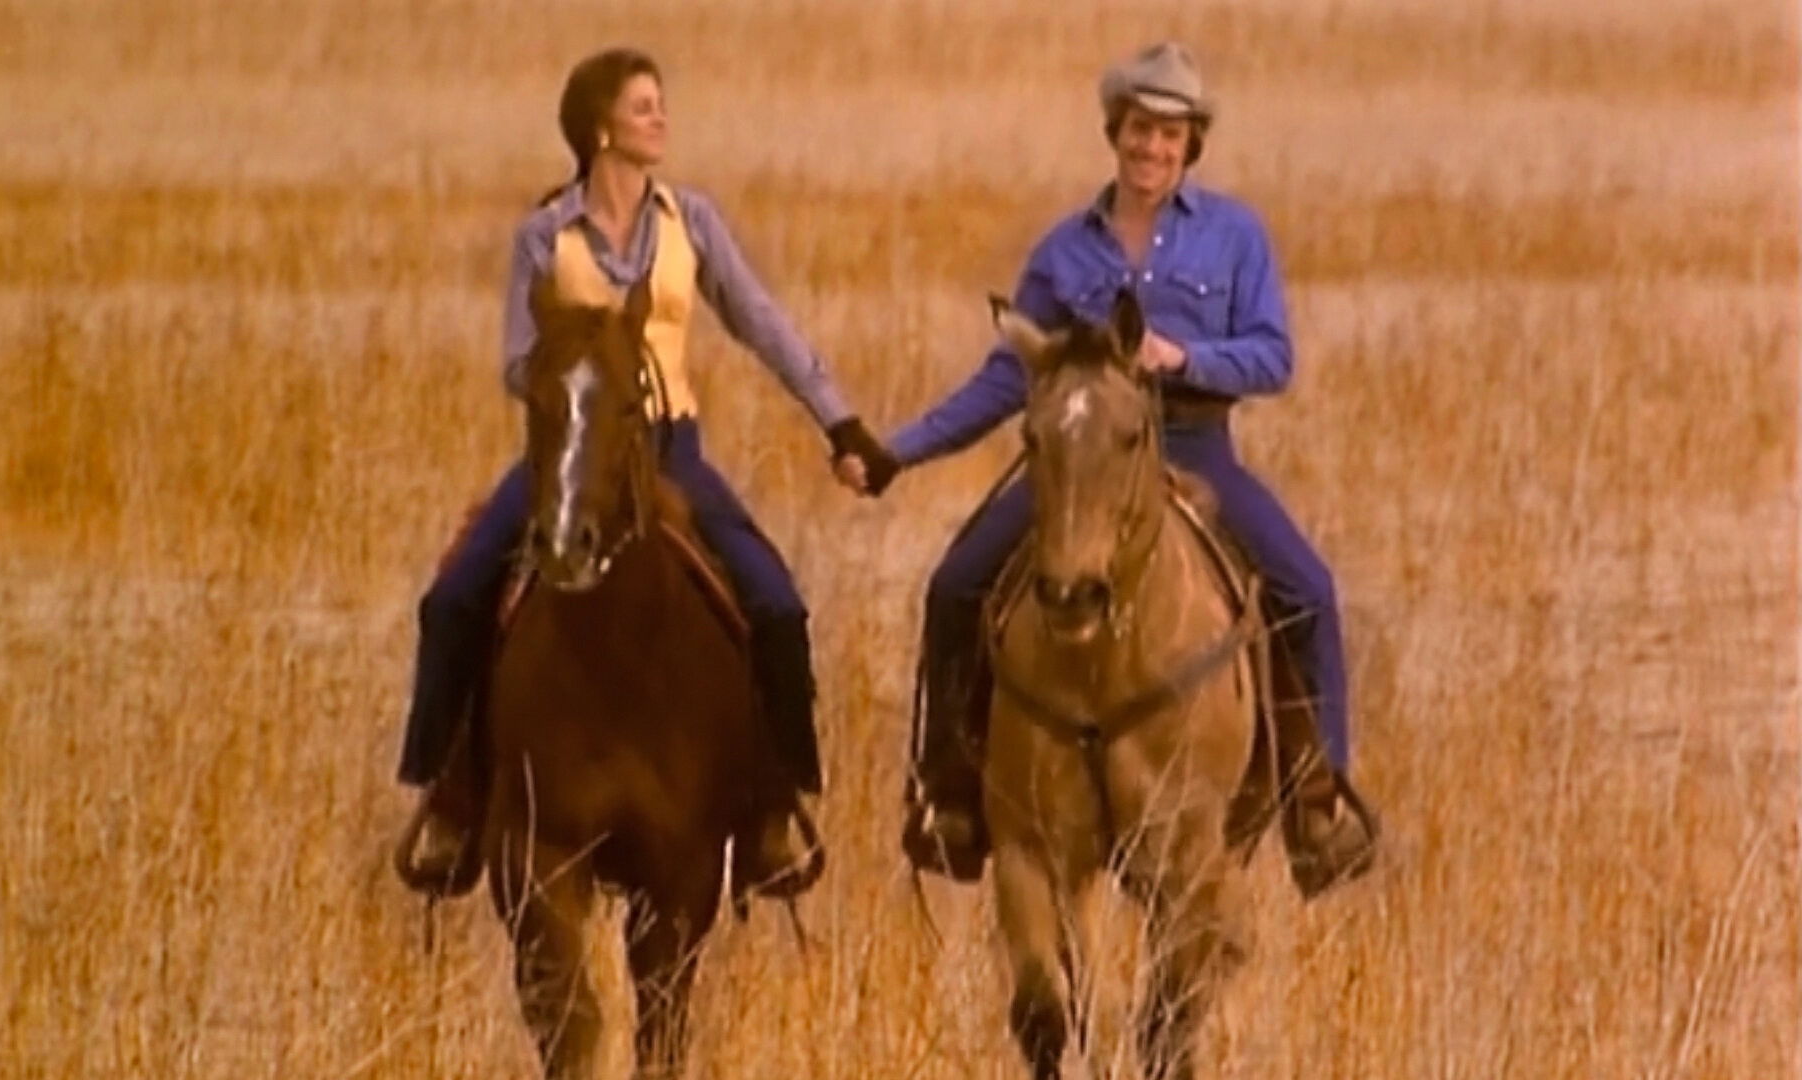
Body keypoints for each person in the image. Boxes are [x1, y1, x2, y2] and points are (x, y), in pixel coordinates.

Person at [840, 42, 1377, 896]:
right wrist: (898, 451)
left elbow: (1273, 357)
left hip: (1193, 448)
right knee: (955, 584)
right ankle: (950, 791)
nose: (1151, 148)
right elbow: (1006, 379)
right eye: (1138, 129)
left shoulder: (1236, 236)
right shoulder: (1063, 252)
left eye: (1169, 133)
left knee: (1305, 589)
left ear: (1191, 143)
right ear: (1114, 132)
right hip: (1079, 461)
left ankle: (1318, 800)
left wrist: (1183, 357)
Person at [396, 46, 900, 900]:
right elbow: (517, 362)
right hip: (572, 450)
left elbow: (761, 322)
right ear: (599, 129)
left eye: (659, 104)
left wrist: (840, 421)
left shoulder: (689, 221)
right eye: (641, 106)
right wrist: (578, 368)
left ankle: (774, 806)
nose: (659, 118)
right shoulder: (544, 235)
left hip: (671, 449)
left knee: (775, 602)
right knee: (454, 598)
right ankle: (448, 801)